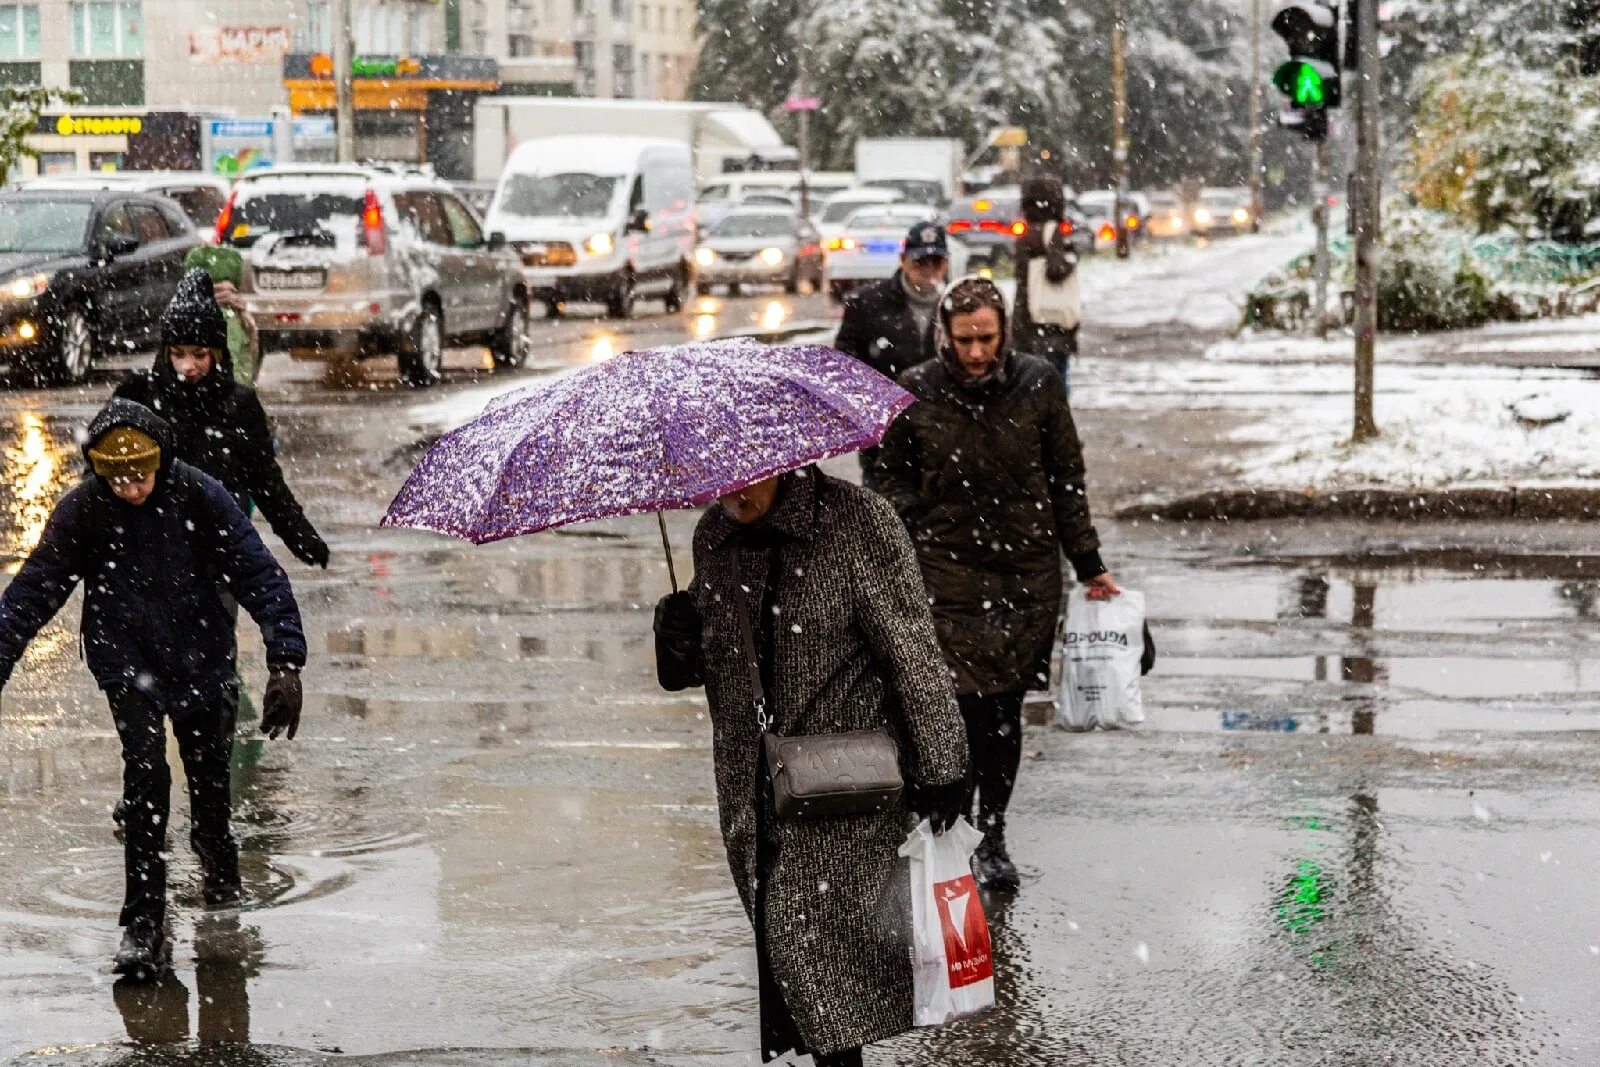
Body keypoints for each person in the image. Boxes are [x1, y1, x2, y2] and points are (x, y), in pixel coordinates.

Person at [653, 466, 969, 1067]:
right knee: (800, 961)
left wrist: (942, 761)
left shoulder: (856, 520)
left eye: (748, 478)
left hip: (844, 789)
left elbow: (910, 647)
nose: (735, 495)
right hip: (754, 795)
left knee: (813, 960)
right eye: (720, 481)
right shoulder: (712, 537)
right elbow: (703, 670)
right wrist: (676, 637)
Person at [0, 398, 307, 976]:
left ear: (160, 462)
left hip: (199, 658)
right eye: (117, 479)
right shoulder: (84, 511)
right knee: (144, 778)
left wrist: (286, 662)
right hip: (125, 659)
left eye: (140, 476)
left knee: (209, 782)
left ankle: (220, 879)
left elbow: (259, 573)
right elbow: (34, 591)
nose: (132, 489)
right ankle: (143, 923)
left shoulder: (200, 495)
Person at [875, 276, 1119, 891]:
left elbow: (1067, 476)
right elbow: (888, 476)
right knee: (951, 709)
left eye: (986, 337)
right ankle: (950, 826)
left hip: (1025, 575)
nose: (977, 352)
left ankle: (995, 829)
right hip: (945, 572)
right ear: (944, 337)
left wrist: (1088, 562)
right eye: (964, 340)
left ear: (1004, 330)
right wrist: (914, 522)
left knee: (1003, 711)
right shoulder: (915, 391)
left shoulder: (1037, 383)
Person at [115, 267, 328, 570]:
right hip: (149, 549)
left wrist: (301, 537)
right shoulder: (138, 395)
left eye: (199, 354)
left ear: (216, 354)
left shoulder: (239, 404)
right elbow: (101, 472)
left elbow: (265, 480)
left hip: (217, 551)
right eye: (178, 353)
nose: (188, 366)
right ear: (165, 353)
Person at [834, 221, 949, 489]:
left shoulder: (955, 305)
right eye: (921, 261)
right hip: (883, 435)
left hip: (940, 435)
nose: (928, 269)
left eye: (936, 261)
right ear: (904, 260)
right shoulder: (867, 303)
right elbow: (844, 364)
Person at [1012, 176, 1082, 390]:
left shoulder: (1025, 234)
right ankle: (1055, 420)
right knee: (1057, 382)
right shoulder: (1053, 232)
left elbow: (1022, 274)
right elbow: (1055, 270)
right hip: (1052, 326)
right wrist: (1072, 258)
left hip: (1026, 321)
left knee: (1031, 381)